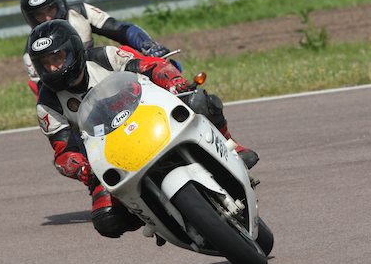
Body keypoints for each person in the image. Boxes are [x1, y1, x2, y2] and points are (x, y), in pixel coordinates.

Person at [28, 20, 259, 238]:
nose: (53, 67)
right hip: (108, 151)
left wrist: (174, 82)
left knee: (200, 101)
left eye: (57, 58)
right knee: (106, 219)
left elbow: (151, 66)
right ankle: (157, 217)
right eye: (46, 63)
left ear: (74, 51)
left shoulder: (103, 57)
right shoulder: (47, 104)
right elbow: (63, 150)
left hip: (148, 113)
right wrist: (81, 168)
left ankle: (231, 147)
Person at [20, 0, 173, 95]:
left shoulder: (81, 13)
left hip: (98, 72)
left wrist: (148, 45)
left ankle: (173, 85)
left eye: (50, 9)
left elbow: (120, 29)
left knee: (131, 53)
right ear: (30, 17)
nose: (47, 18)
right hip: (72, 94)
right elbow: (45, 94)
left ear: (59, 4)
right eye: (39, 14)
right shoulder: (31, 53)